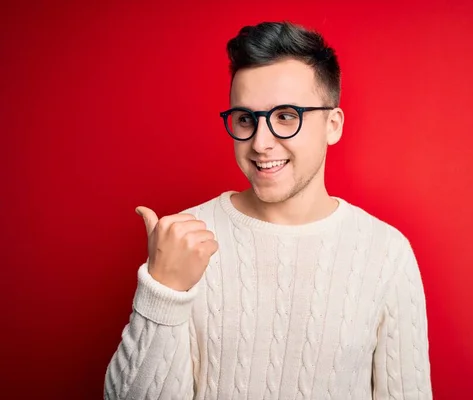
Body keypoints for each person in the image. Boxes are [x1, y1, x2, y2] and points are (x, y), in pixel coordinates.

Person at [104, 20, 432, 400]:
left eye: (286, 116)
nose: (260, 143)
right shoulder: (184, 240)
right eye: (246, 119)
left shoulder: (386, 253)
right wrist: (162, 289)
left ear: (333, 125)